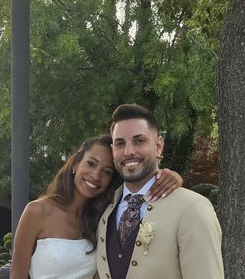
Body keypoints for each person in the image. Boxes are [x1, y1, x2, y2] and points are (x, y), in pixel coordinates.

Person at [10, 134, 183, 279]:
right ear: (76, 164)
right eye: (91, 163)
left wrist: (172, 176)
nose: (96, 175)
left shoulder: (106, 218)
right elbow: (16, 275)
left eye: (107, 172)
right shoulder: (37, 212)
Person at [96, 104, 224, 279]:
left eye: (139, 141)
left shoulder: (192, 208)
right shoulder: (104, 209)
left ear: (158, 146)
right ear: (113, 151)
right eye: (120, 144)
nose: (128, 151)